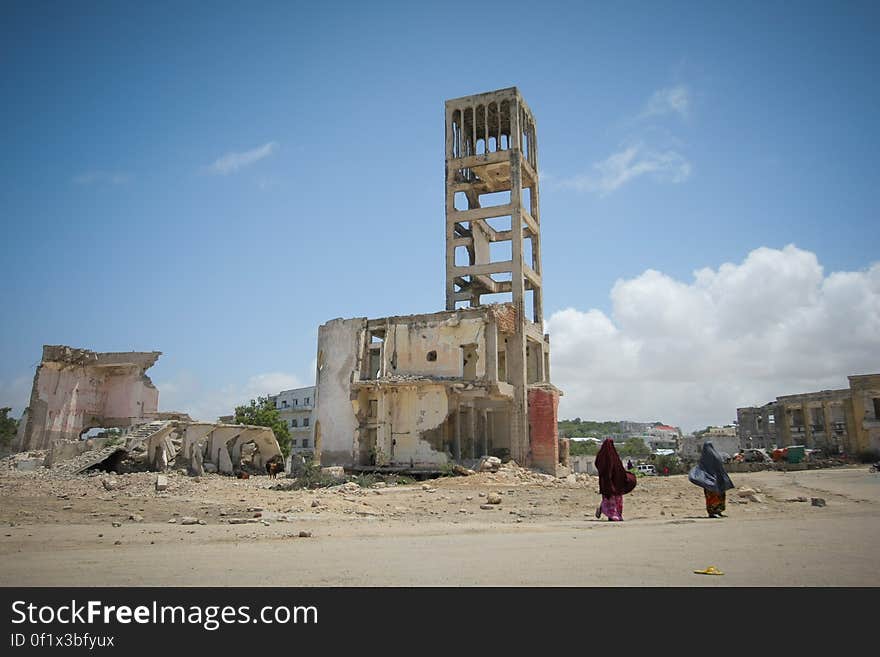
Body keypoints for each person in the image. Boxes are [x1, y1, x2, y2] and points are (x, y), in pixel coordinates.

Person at [688, 441, 735, 518]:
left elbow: (701, 468)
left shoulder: (704, 458)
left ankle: (717, 511)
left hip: (709, 481)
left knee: (715, 496)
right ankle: (713, 512)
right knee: (716, 496)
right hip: (716, 480)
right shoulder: (715, 456)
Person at [594, 439, 637, 521]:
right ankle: (612, 515)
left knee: (613, 499)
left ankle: (614, 514)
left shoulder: (601, 457)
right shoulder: (614, 457)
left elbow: (598, 464)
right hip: (613, 482)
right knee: (611, 499)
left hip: (609, 482)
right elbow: (619, 469)